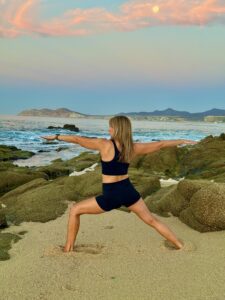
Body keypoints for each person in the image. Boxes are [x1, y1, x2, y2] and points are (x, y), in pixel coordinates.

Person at [42, 115, 198, 252]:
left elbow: (78, 140)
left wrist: (56, 137)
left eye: (111, 126)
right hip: (128, 190)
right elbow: (160, 145)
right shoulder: (133, 148)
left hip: (111, 194)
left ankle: (68, 248)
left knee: (75, 210)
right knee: (151, 220)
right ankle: (179, 245)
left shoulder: (104, 145)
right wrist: (182, 141)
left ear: (117, 129)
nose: (109, 129)